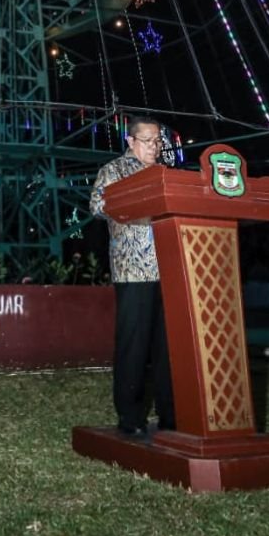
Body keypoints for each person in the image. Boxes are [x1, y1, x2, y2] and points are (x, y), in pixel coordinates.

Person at [89, 116, 176, 437]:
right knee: (134, 346)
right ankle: (130, 417)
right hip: (134, 270)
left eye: (158, 141)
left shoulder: (165, 173)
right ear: (131, 141)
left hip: (170, 271)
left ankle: (172, 416)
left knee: (169, 349)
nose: (155, 146)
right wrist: (135, 202)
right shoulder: (114, 170)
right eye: (148, 140)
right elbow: (97, 206)